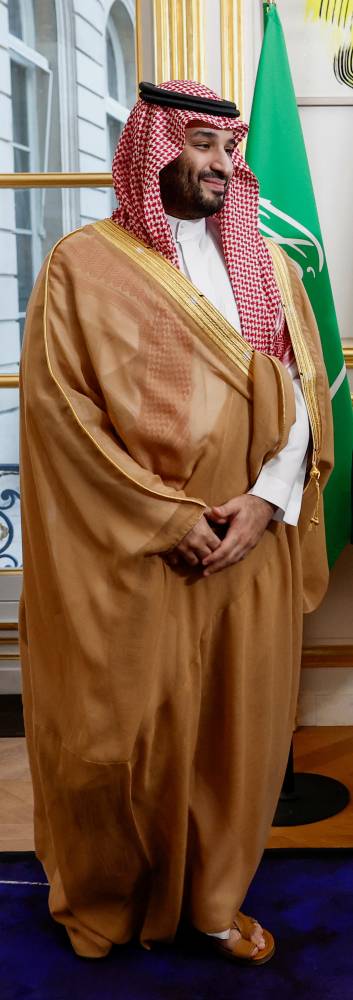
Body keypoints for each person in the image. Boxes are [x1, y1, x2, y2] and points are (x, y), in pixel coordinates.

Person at [19, 80, 333, 964]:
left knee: (238, 732)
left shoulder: (269, 266)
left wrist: (266, 499)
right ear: (153, 148)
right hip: (135, 551)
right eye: (200, 143)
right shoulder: (84, 265)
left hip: (250, 543)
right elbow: (60, 412)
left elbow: (302, 393)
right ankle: (108, 901)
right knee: (117, 740)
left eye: (229, 148)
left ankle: (213, 902)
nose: (221, 163)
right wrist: (165, 516)